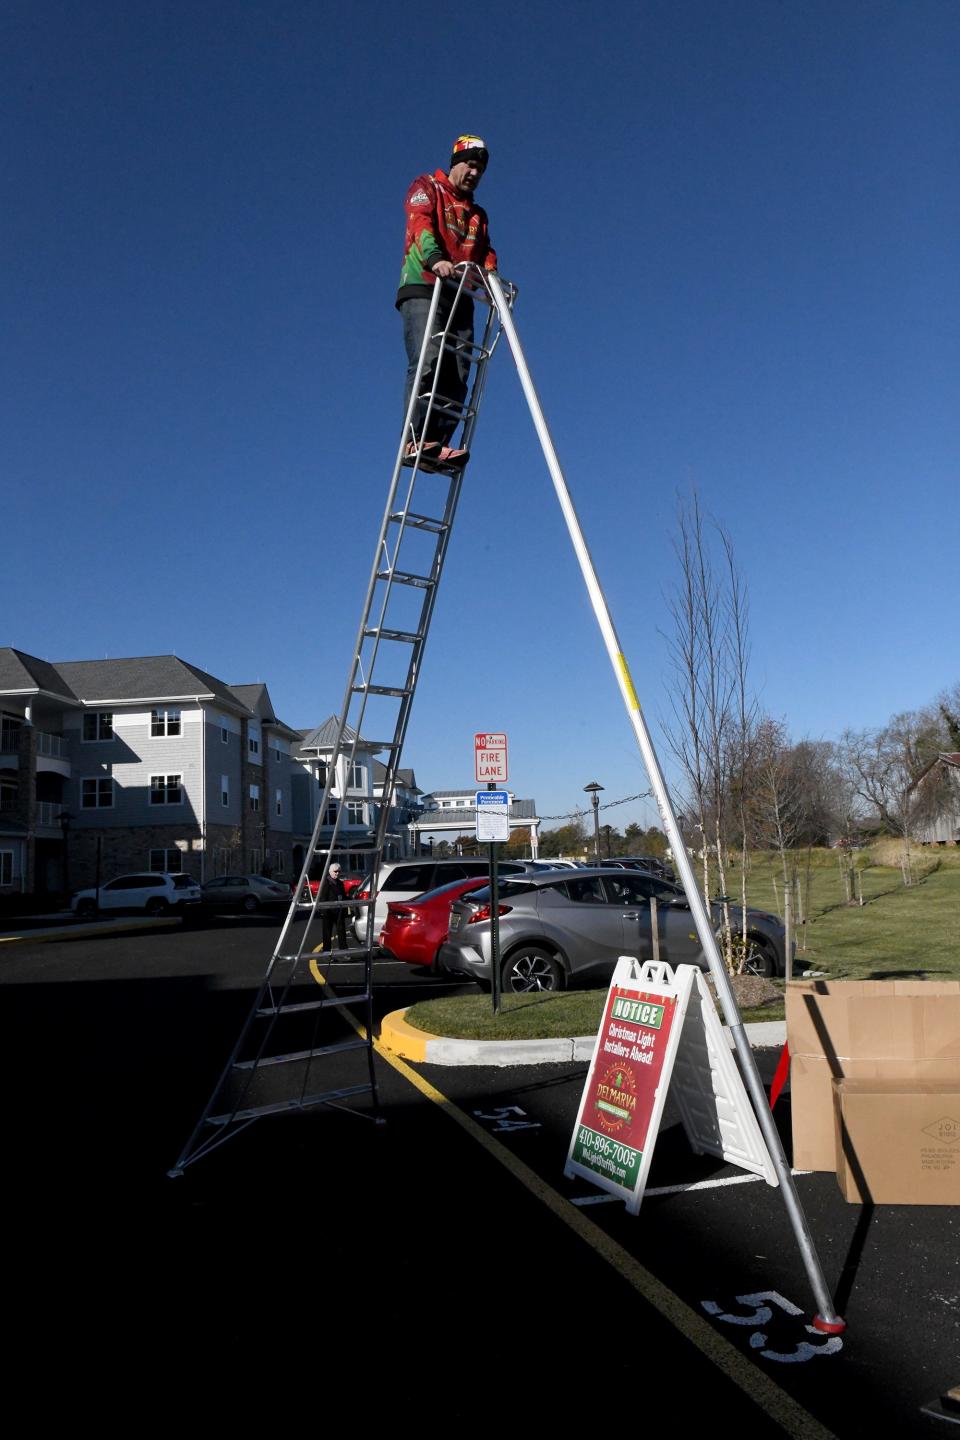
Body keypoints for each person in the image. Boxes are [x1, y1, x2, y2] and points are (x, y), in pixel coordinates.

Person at [397, 134, 497, 468]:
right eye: (469, 165)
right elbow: (420, 223)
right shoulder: (427, 186)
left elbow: (485, 251)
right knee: (429, 358)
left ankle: (438, 442)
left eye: (479, 170)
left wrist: (492, 281)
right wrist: (435, 257)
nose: (473, 173)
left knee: (458, 369)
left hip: (460, 293)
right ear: (456, 163)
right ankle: (415, 440)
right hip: (426, 284)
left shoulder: (477, 214)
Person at [318, 862, 347, 953]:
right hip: (328, 912)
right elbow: (322, 897)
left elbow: (344, 897)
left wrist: (345, 910)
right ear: (330, 871)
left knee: (342, 932)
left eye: (339, 871)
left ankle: (344, 951)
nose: (337, 873)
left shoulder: (340, 883)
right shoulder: (325, 883)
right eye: (335, 871)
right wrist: (324, 911)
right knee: (327, 933)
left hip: (339, 912)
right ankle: (326, 951)